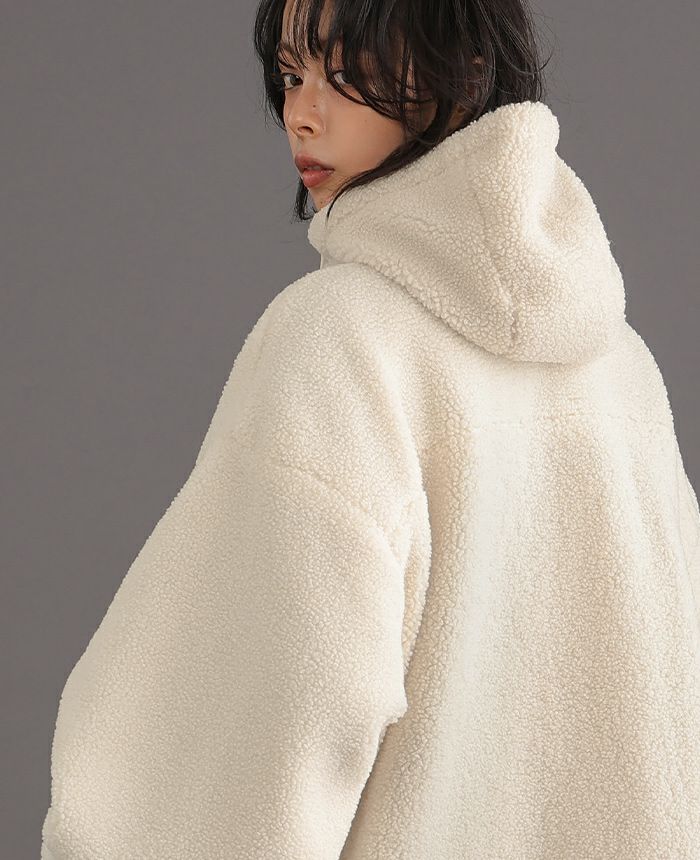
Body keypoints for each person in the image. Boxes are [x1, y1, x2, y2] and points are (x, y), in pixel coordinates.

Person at [41, 0, 700, 857]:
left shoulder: (336, 340)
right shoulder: (620, 365)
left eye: (345, 75)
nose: (300, 114)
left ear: (461, 76)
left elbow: (238, 754)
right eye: (291, 75)